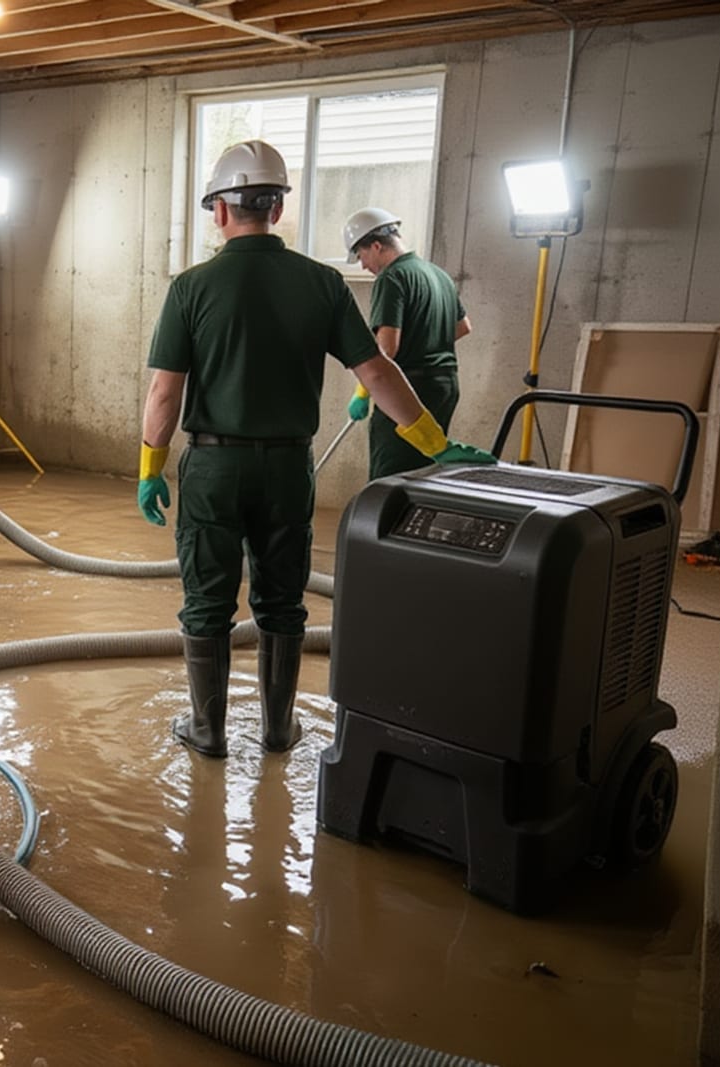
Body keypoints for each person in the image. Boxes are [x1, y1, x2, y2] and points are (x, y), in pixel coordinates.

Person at [136, 141, 493, 759]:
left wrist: (148, 468)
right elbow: (378, 372)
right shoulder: (324, 283)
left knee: (207, 599)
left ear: (220, 210)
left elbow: (165, 393)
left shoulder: (190, 287)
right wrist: (436, 443)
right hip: (287, 467)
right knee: (282, 597)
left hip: (214, 467)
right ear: (276, 208)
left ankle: (208, 730)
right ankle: (278, 730)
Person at [341, 207, 473, 480]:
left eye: (362, 256)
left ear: (376, 245)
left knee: (391, 480)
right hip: (444, 387)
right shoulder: (438, 275)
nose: (364, 266)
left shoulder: (392, 278)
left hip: (407, 390)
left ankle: (388, 525)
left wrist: (363, 391)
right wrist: (425, 342)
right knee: (425, 473)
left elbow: (387, 349)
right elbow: (462, 327)